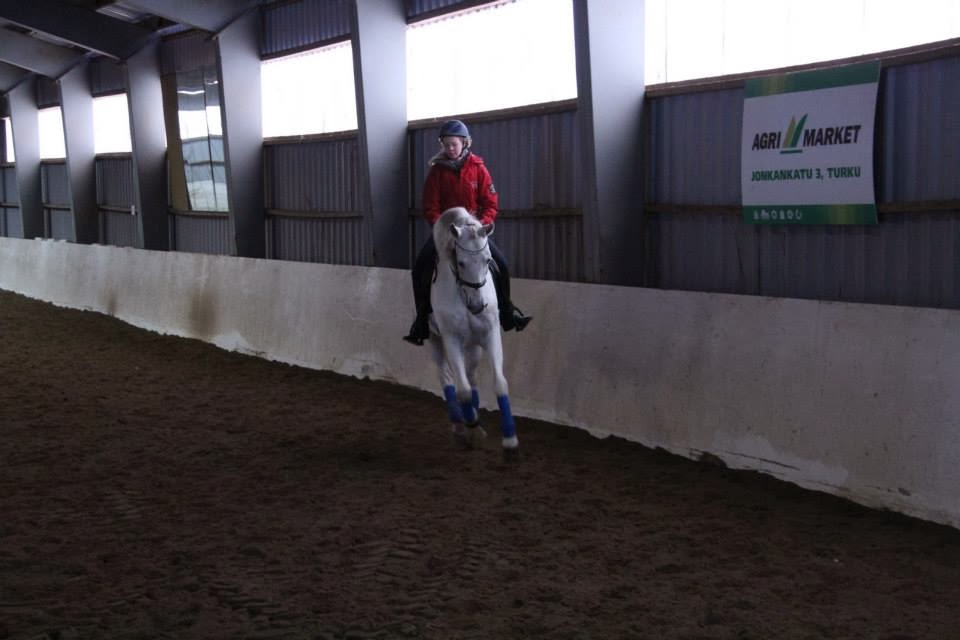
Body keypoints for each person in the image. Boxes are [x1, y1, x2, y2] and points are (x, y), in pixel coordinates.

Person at [403, 119, 531, 346]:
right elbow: (430, 206)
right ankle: (421, 320)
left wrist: (480, 226)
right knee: (420, 267)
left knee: (502, 264)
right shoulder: (436, 173)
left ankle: (507, 312)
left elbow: (490, 203)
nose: (450, 148)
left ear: (464, 143)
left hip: (474, 233)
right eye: (446, 145)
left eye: (453, 144)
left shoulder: (478, 169)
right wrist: (442, 228)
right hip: (446, 232)